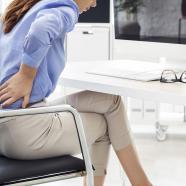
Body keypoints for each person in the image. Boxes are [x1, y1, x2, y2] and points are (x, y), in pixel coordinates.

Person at [0, 0, 153, 185]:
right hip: (25, 132)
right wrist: (26, 75)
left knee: (110, 100)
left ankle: (141, 183)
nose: (95, 3)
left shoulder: (23, 8)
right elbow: (42, 29)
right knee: (105, 124)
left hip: (6, 126)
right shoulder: (65, 8)